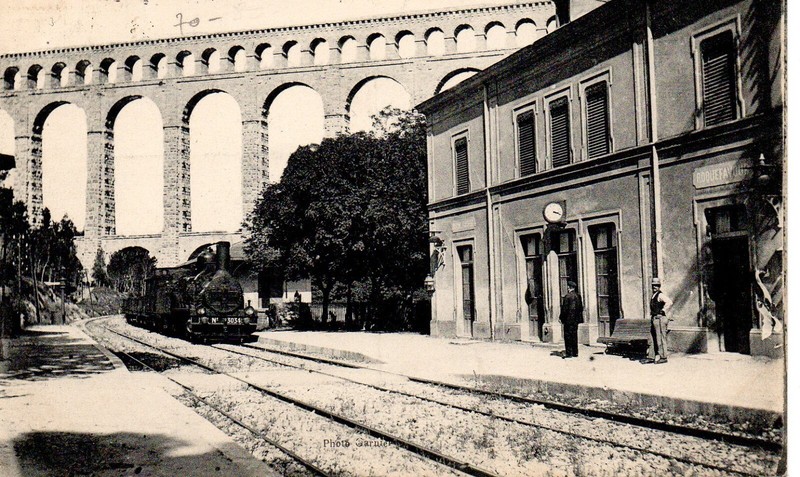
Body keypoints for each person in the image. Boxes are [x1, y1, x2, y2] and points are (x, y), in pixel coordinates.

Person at [645, 277, 673, 364]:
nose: (654, 287)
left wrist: (663, 311)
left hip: (660, 319)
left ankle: (663, 357)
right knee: (652, 338)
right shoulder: (653, 295)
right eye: (653, 285)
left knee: (660, 338)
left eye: (656, 285)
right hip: (654, 318)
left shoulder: (660, 295)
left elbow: (669, 302)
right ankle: (651, 356)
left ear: (659, 286)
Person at [559, 281, 583, 358]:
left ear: (569, 287)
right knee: (574, 335)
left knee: (568, 336)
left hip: (568, 320)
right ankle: (575, 352)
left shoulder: (567, 296)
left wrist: (561, 318)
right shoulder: (578, 296)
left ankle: (569, 353)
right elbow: (581, 308)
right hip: (575, 320)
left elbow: (564, 309)